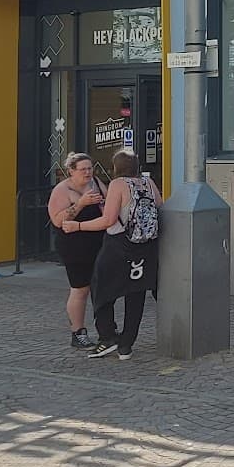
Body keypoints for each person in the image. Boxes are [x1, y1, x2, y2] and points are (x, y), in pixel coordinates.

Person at [63, 149, 162, 360]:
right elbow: (160, 210)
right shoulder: (149, 184)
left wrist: (77, 226)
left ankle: (107, 336)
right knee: (136, 294)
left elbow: (108, 220)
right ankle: (126, 345)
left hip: (118, 246)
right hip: (145, 248)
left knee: (101, 288)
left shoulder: (118, 184)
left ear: (116, 167)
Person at [47, 152, 104, 350]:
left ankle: (106, 330)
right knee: (81, 288)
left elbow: (108, 205)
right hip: (74, 244)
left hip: (98, 240)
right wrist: (80, 204)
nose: (88, 172)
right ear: (71, 171)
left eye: (90, 168)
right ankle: (78, 332)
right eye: (83, 169)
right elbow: (57, 219)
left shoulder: (95, 182)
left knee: (101, 286)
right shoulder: (62, 190)